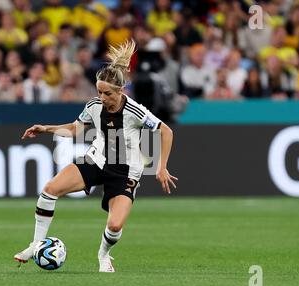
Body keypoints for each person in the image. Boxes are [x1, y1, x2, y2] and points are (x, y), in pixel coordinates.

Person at [14, 40, 178, 272]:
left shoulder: (134, 111)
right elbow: (74, 129)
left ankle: (104, 255)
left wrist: (162, 167)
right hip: (96, 159)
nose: (102, 97)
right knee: (50, 190)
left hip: (126, 171)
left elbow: (166, 131)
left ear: (120, 91)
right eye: (99, 91)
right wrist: (45, 128)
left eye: (107, 93)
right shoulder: (93, 105)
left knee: (114, 224)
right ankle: (35, 244)